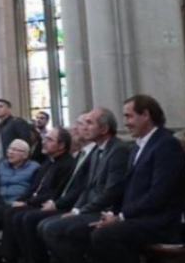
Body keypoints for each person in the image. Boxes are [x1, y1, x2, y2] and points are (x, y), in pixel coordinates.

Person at [87, 95, 185, 263]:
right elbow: (128, 189)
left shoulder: (166, 144)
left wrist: (121, 216)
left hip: (160, 221)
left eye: (129, 116)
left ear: (146, 115)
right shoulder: (137, 147)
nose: (125, 122)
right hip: (139, 217)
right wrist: (113, 213)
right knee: (83, 230)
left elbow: (159, 194)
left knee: (104, 236)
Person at [40, 107, 129, 263]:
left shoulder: (118, 150)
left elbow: (112, 192)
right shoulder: (96, 151)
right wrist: (76, 210)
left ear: (104, 129)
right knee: (44, 225)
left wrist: (81, 211)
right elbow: (87, 188)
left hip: (105, 211)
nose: (83, 127)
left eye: (89, 122)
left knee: (53, 229)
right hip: (90, 208)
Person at [15, 115, 95, 263]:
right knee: (16, 214)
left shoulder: (75, 159)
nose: (75, 129)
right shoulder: (71, 157)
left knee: (31, 219)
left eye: (82, 124)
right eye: (76, 125)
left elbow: (79, 188)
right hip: (63, 202)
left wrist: (55, 203)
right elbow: (38, 186)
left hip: (74, 206)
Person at [0, 128, 75, 263]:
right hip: (37, 201)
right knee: (11, 212)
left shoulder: (67, 164)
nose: (43, 142)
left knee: (25, 217)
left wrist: (28, 203)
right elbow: (33, 187)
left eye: (49, 140)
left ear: (62, 145)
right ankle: (13, 257)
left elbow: (54, 192)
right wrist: (21, 199)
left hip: (50, 204)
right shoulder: (48, 162)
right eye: (44, 138)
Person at [0, 139, 40, 263]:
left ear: (25, 155)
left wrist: (22, 200)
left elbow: (33, 189)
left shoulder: (34, 168)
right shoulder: (1, 165)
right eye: (9, 149)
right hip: (0, 202)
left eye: (15, 150)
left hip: (18, 203)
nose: (10, 152)